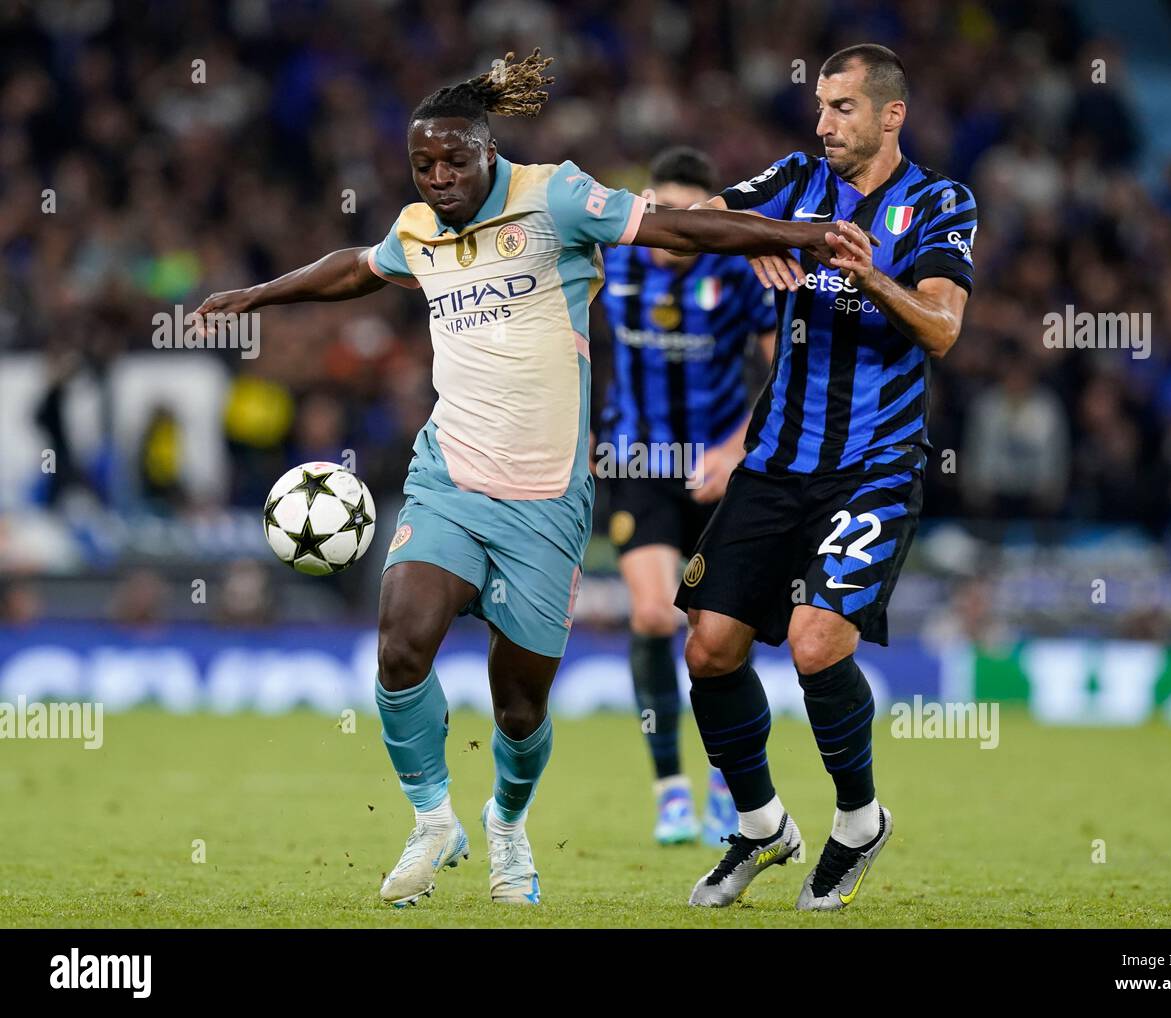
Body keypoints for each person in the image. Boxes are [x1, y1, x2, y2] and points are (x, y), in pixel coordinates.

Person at [195, 50, 843, 907]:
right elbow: (357, 266)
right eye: (422, 165)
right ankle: (433, 821)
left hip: (547, 500)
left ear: (486, 152)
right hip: (450, 478)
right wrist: (257, 295)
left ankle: (506, 826)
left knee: (520, 711)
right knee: (401, 644)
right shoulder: (419, 229)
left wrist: (800, 235)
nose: (437, 179)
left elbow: (680, 230)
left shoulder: (557, 197)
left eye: (453, 162)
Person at [674, 44, 977, 910]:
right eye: (820, 105)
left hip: (875, 467)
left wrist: (866, 273)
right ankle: (764, 827)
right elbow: (696, 223)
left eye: (842, 107)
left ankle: (857, 822)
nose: (822, 124)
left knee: (815, 642)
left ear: (891, 115)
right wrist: (761, 239)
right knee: (710, 647)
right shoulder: (797, 179)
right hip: (773, 464)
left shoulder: (940, 202)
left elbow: (943, 330)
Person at [597, 146, 775, 846]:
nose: (672, 230)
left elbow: (781, 369)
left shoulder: (738, 273)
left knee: (720, 632)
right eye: (660, 211)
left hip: (718, 469)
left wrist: (736, 449)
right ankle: (671, 790)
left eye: (687, 217)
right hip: (638, 459)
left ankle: (727, 786)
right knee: (650, 615)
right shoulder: (613, 261)